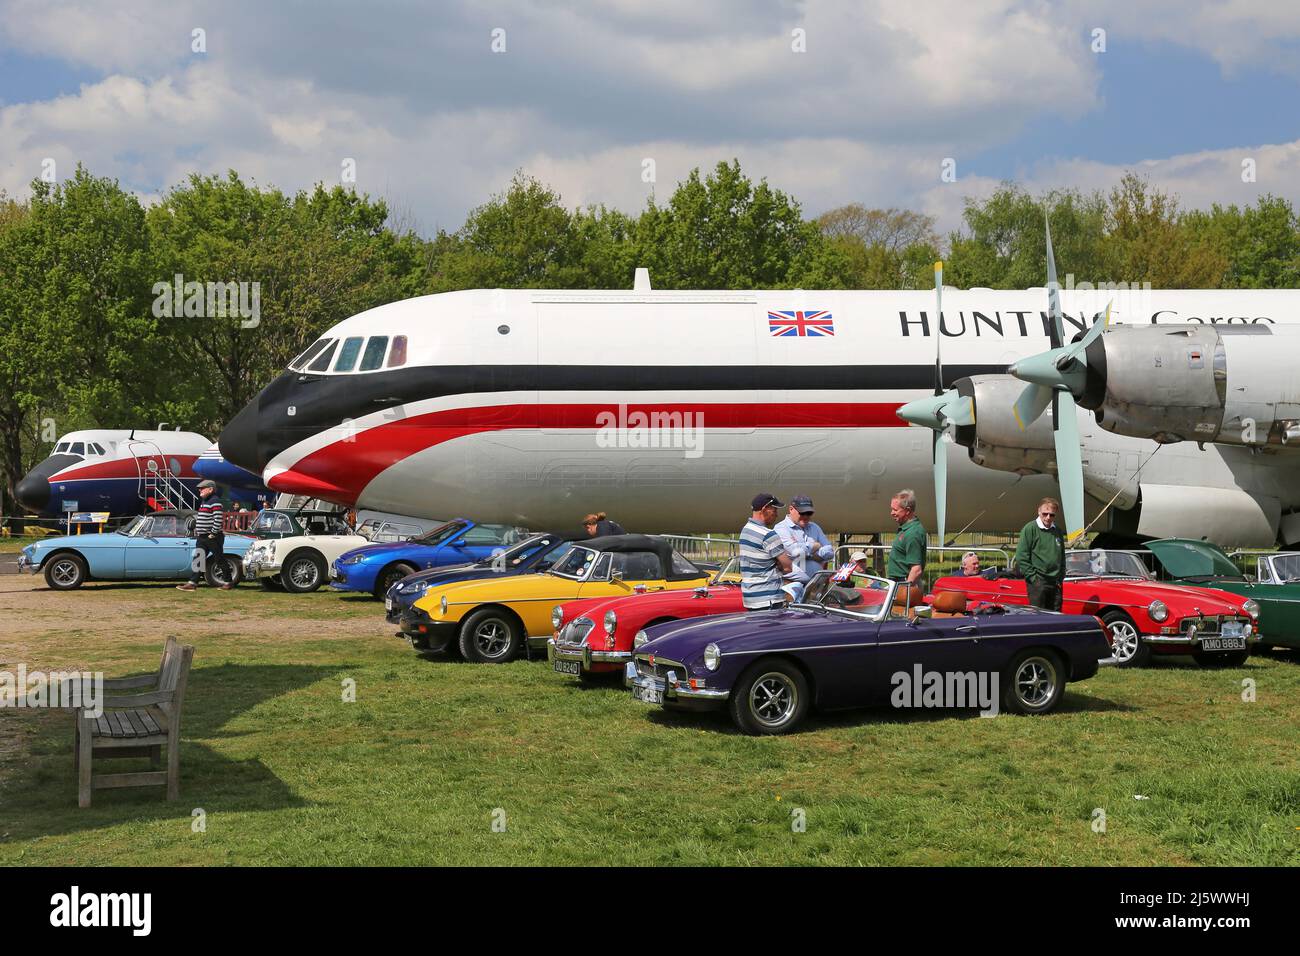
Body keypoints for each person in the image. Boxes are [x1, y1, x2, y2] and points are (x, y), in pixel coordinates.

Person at [739, 493, 793, 611]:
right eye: (774, 510)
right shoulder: (768, 535)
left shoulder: (745, 531)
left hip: (750, 598)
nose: (777, 514)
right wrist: (778, 564)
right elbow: (788, 567)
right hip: (769, 599)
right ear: (764, 509)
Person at [1015, 497, 1066, 611]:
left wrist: (1061, 577)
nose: (1048, 517)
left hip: (1055, 583)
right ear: (1039, 511)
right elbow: (1021, 556)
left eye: (1051, 515)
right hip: (1038, 582)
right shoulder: (1030, 529)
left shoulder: (1057, 531)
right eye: (1045, 514)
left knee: (1056, 615)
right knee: (1039, 616)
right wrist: (1034, 579)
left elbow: (1062, 556)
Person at [178, 480, 229, 591]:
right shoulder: (205, 501)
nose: (200, 490)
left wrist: (213, 533)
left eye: (202, 488)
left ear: (210, 489)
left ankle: (228, 581)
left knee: (219, 559)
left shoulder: (215, 501)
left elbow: (218, 518)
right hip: (202, 537)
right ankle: (192, 583)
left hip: (212, 536)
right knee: (198, 559)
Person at [885, 489, 927, 585]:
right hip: (897, 582)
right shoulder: (906, 529)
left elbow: (916, 570)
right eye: (892, 509)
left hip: (903, 583)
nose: (892, 513)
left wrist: (905, 589)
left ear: (907, 511)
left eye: (895, 510)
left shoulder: (913, 533)